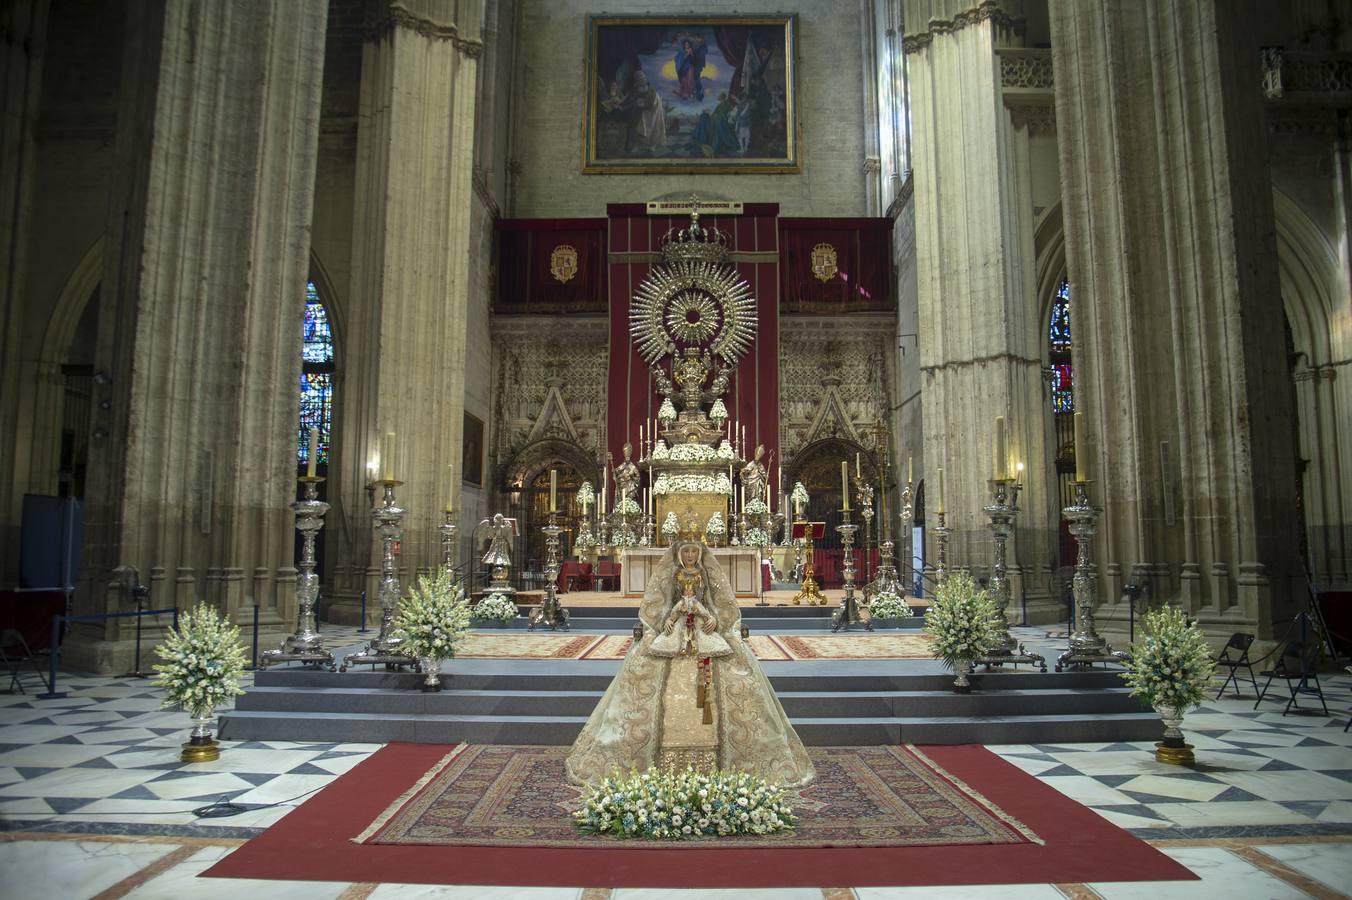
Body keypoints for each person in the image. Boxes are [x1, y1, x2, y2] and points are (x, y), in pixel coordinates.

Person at [565, 539, 815, 787]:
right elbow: (661, 600)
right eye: (687, 552)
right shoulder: (673, 573)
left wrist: (714, 618)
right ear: (679, 554)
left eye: (695, 551)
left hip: (703, 632)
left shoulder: (705, 573)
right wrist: (667, 619)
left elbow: (717, 600)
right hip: (675, 634)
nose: (691, 556)